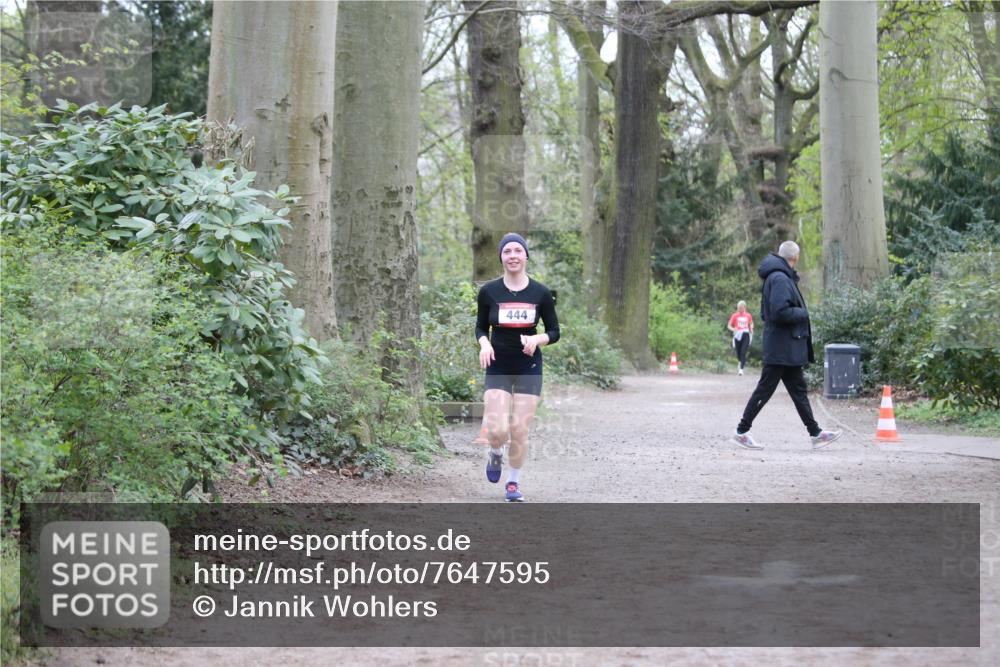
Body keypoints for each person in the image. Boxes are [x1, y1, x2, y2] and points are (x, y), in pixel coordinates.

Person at [732, 241, 842, 450]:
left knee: (799, 391)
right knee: (764, 390)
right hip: (781, 348)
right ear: (795, 258)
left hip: (787, 348)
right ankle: (741, 431)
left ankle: (815, 433)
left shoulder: (779, 276)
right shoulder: (781, 278)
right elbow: (778, 312)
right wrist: (804, 312)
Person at [476, 233, 560, 502]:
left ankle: (513, 482)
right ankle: (496, 452)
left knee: (520, 429)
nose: (512, 255)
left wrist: (537, 339)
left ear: (525, 256)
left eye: (517, 251)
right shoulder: (489, 291)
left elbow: (555, 331)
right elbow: (480, 326)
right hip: (498, 364)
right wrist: (484, 344)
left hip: (528, 364)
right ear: (501, 257)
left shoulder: (541, 293)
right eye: (507, 251)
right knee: (498, 429)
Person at [727, 300, 754, 375]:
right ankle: (740, 361)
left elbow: (751, 324)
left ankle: (741, 369)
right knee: (738, 352)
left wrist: (751, 328)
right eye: (738, 308)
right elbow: (729, 326)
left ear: (744, 307)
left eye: (741, 308)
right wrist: (733, 329)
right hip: (737, 334)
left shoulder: (748, 315)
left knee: (743, 352)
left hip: (746, 334)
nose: (740, 309)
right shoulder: (735, 315)